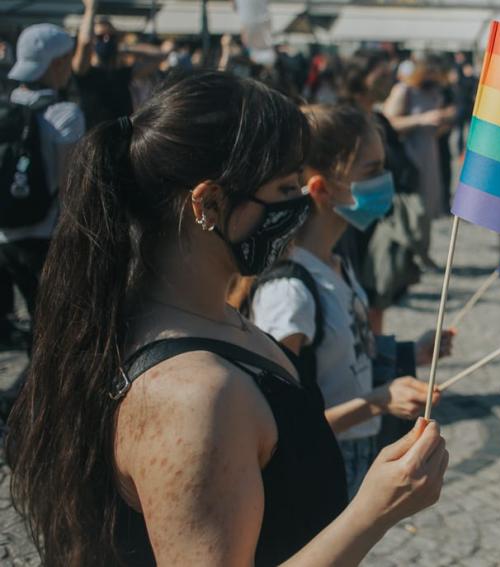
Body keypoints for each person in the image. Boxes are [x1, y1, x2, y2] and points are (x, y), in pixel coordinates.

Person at [5, 72, 448, 566]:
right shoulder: (195, 397)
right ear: (210, 203)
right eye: (283, 189)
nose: (298, 207)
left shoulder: (210, 318)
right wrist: (373, 511)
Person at [248, 104, 453, 498]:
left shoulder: (337, 264)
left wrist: (414, 353)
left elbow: (347, 358)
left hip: (356, 455)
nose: (386, 182)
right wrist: (377, 402)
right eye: (372, 171)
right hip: (317, 470)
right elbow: (277, 427)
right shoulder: (289, 293)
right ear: (322, 188)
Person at [0, 24, 85, 347]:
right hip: (45, 235)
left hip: (6, 234)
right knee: (53, 329)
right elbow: (70, 184)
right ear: (57, 63)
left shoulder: (6, 107)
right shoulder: (65, 114)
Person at [337, 52, 432, 334]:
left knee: (378, 293)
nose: (387, 80)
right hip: (350, 222)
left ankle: (374, 356)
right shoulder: (341, 119)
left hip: (382, 220)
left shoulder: (378, 119)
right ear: (359, 79)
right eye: (379, 75)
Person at [72, 0, 163, 129]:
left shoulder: (122, 73)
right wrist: (91, 9)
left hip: (123, 139)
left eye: (111, 36)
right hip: (95, 141)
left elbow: (160, 56)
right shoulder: (84, 72)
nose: (106, 40)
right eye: (100, 36)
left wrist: (125, 47)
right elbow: (85, 42)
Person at [384, 57, 455, 220]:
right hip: (409, 157)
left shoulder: (434, 93)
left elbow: (434, 130)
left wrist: (444, 120)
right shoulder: (404, 91)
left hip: (430, 155)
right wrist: (421, 119)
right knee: (412, 210)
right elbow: (388, 123)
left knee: (427, 211)